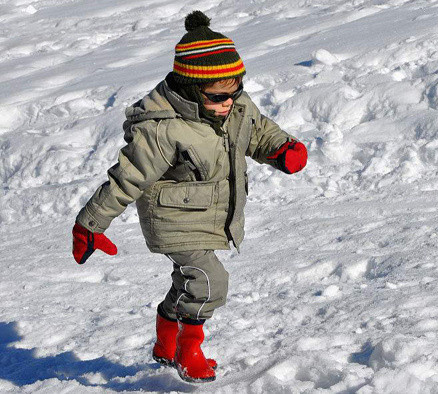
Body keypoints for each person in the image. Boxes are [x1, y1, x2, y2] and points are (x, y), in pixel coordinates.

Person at [71, 10, 307, 383]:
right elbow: (127, 178)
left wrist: (281, 148)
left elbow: (257, 130)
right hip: (171, 219)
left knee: (189, 280)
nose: (229, 102)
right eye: (218, 96)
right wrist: (90, 223)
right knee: (210, 283)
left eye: (236, 90)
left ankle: (166, 336)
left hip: (210, 213)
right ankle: (188, 349)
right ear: (190, 88)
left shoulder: (233, 104)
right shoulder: (163, 129)